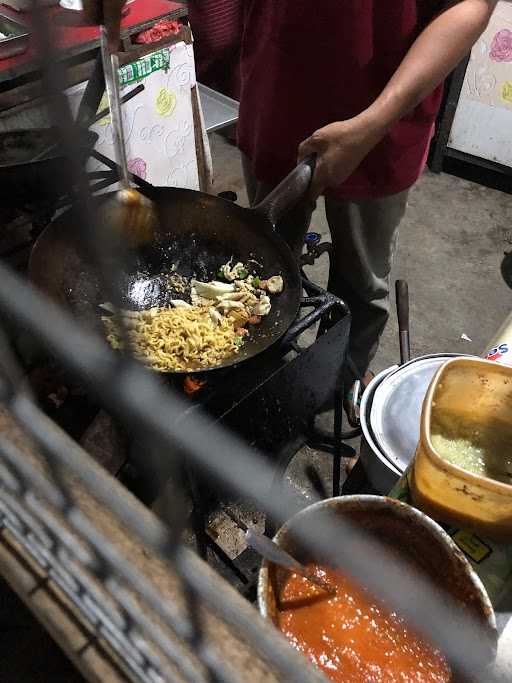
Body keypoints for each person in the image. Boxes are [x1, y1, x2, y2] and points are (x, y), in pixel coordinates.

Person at [238, 0, 497, 421]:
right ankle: (261, 371)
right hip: (276, 86)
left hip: (385, 114)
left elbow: (470, 5)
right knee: (265, 270)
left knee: (360, 282)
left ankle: (342, 380)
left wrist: (372, 125)